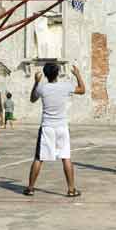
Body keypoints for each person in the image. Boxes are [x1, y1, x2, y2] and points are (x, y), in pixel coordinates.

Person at [24, 62, 85, 197]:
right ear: (57, 73)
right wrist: (78, 74)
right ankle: (71, 189)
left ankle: (30, 188)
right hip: (62, 127)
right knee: (66, 158)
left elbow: (32, 99)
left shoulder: (42, 88)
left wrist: (36, 82)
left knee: (39, 158)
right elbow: (82, 89)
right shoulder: (65, 86)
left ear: (45, 74)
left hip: (47, 127)